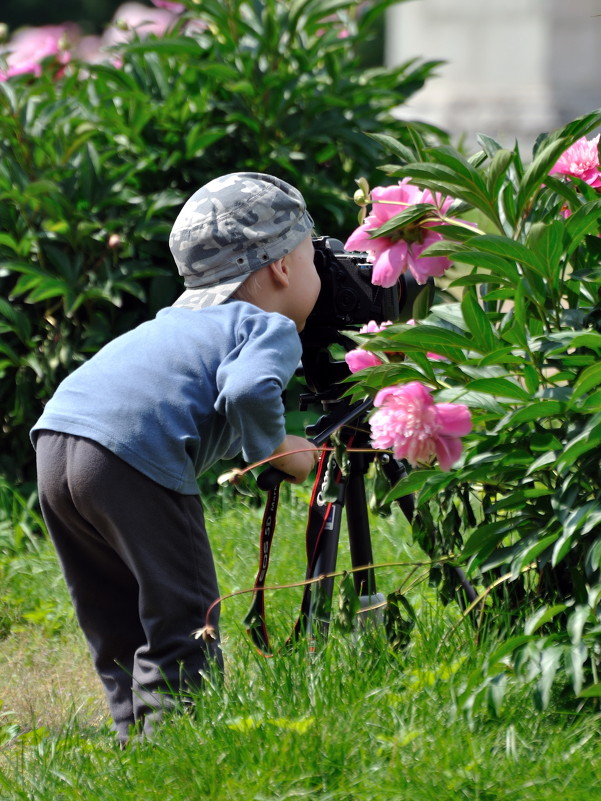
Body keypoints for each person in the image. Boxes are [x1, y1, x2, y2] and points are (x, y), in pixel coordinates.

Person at [30, 172, 321, 744]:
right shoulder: (267, 324)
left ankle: (133, 740)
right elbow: (247, 390)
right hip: (132, 453)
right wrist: (278, 452)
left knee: (113, 613)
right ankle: (181, 744)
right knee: (185, 615)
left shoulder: (176, 322)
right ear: (282, 267)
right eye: (312, 259)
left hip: (57, 438)